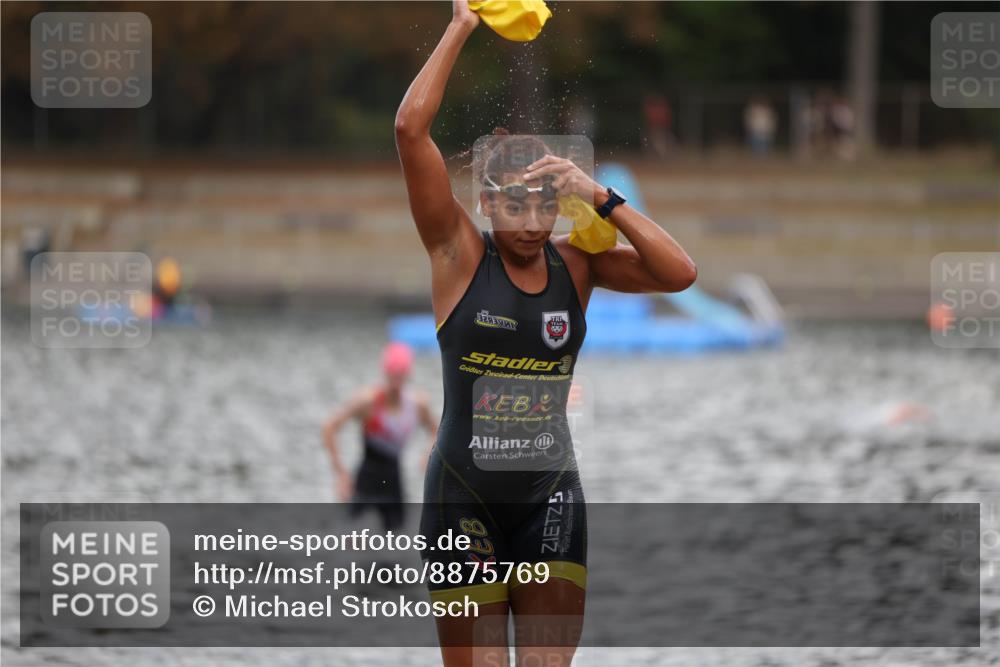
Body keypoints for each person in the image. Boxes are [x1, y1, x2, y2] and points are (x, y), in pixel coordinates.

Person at [393, 2, 697, 664]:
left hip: (550, 498)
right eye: (514, 205)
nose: (531, 222)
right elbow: (410, 129)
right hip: (462, 498)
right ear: (487, 202)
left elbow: (680, 274)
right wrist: (460, 27)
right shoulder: (457, 254)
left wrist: (600, 195)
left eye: (544, 205)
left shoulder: (578, 265)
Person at [321, 341, 438, 533]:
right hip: (366, 479)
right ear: (385, 373)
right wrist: (341, 474)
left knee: (396, 540)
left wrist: (428, 455)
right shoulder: (368, 401)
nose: (396, 382)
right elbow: (329, 428)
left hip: (394, 481)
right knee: (350, 537)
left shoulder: (417, 405)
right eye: (393, 375)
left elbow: (436, 430)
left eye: (400, 376)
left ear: (408, 375)